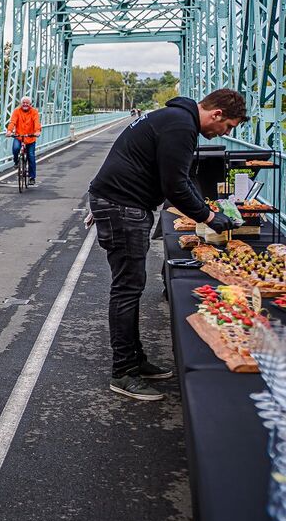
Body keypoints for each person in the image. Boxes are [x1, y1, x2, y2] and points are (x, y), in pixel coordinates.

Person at [88, 88, 247, 401]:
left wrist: (205, 209)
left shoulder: (176, 119)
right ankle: (123, 372)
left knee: (131, 285)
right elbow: (174, 186)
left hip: (121, 203)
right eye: (227, 126)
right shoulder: (181, 126)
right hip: (121, 205)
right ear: (216, 114)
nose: (223, 134)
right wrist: (210, 217)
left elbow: (180, 179)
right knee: (127, 287)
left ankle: (134, 360)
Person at [6, 96, 42, 185]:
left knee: (31, 156)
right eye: (24, 103)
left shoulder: (34, 112)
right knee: (15, 148)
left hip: (30, 137)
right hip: (19, 136)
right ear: (21, 104)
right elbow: (12, 122)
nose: (25, 104)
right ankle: (16, 162)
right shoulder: (16, 111)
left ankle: (32, 177)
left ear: (30, 104)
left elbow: (36, 122)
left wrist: (37, 131)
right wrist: (9, 131)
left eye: (27, 103)